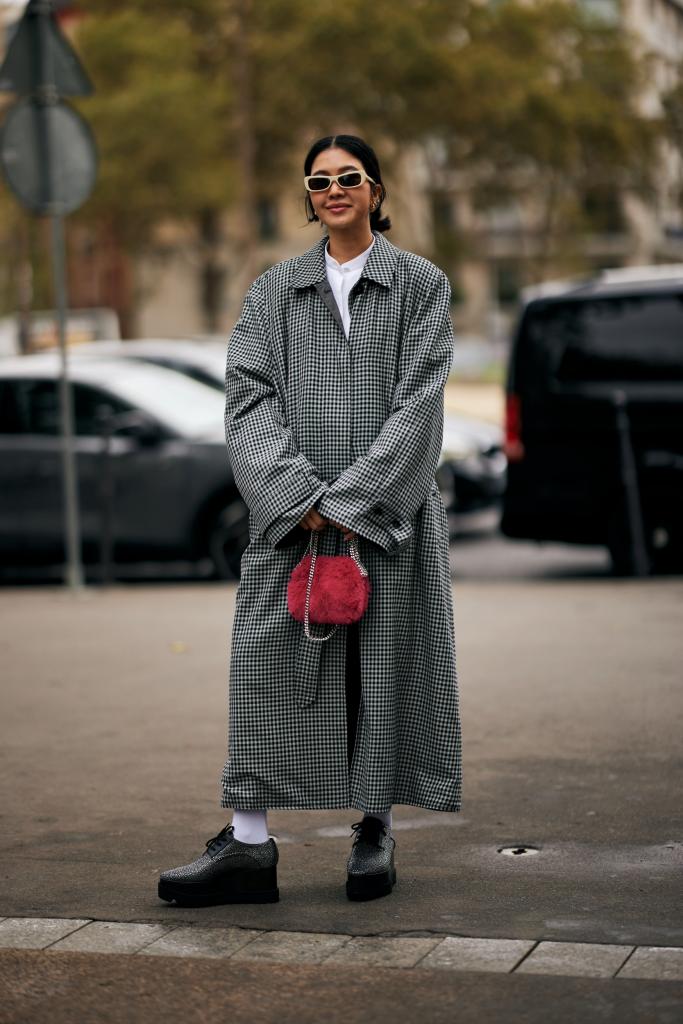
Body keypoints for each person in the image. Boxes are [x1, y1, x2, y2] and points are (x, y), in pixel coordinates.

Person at [158, 134, 462, 907]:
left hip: (388, 522)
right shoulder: (272, 292)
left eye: (348, 177)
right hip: (290, 525)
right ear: (307, 197)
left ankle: (373, 832)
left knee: (380, 675)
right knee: (265, 676)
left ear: (376, 190)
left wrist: (354, 502)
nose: (333, 189)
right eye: (318, 180)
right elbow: (247, 399)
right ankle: (249, 846)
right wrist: (302, 500)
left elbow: (419, 404)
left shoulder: (420, 286)